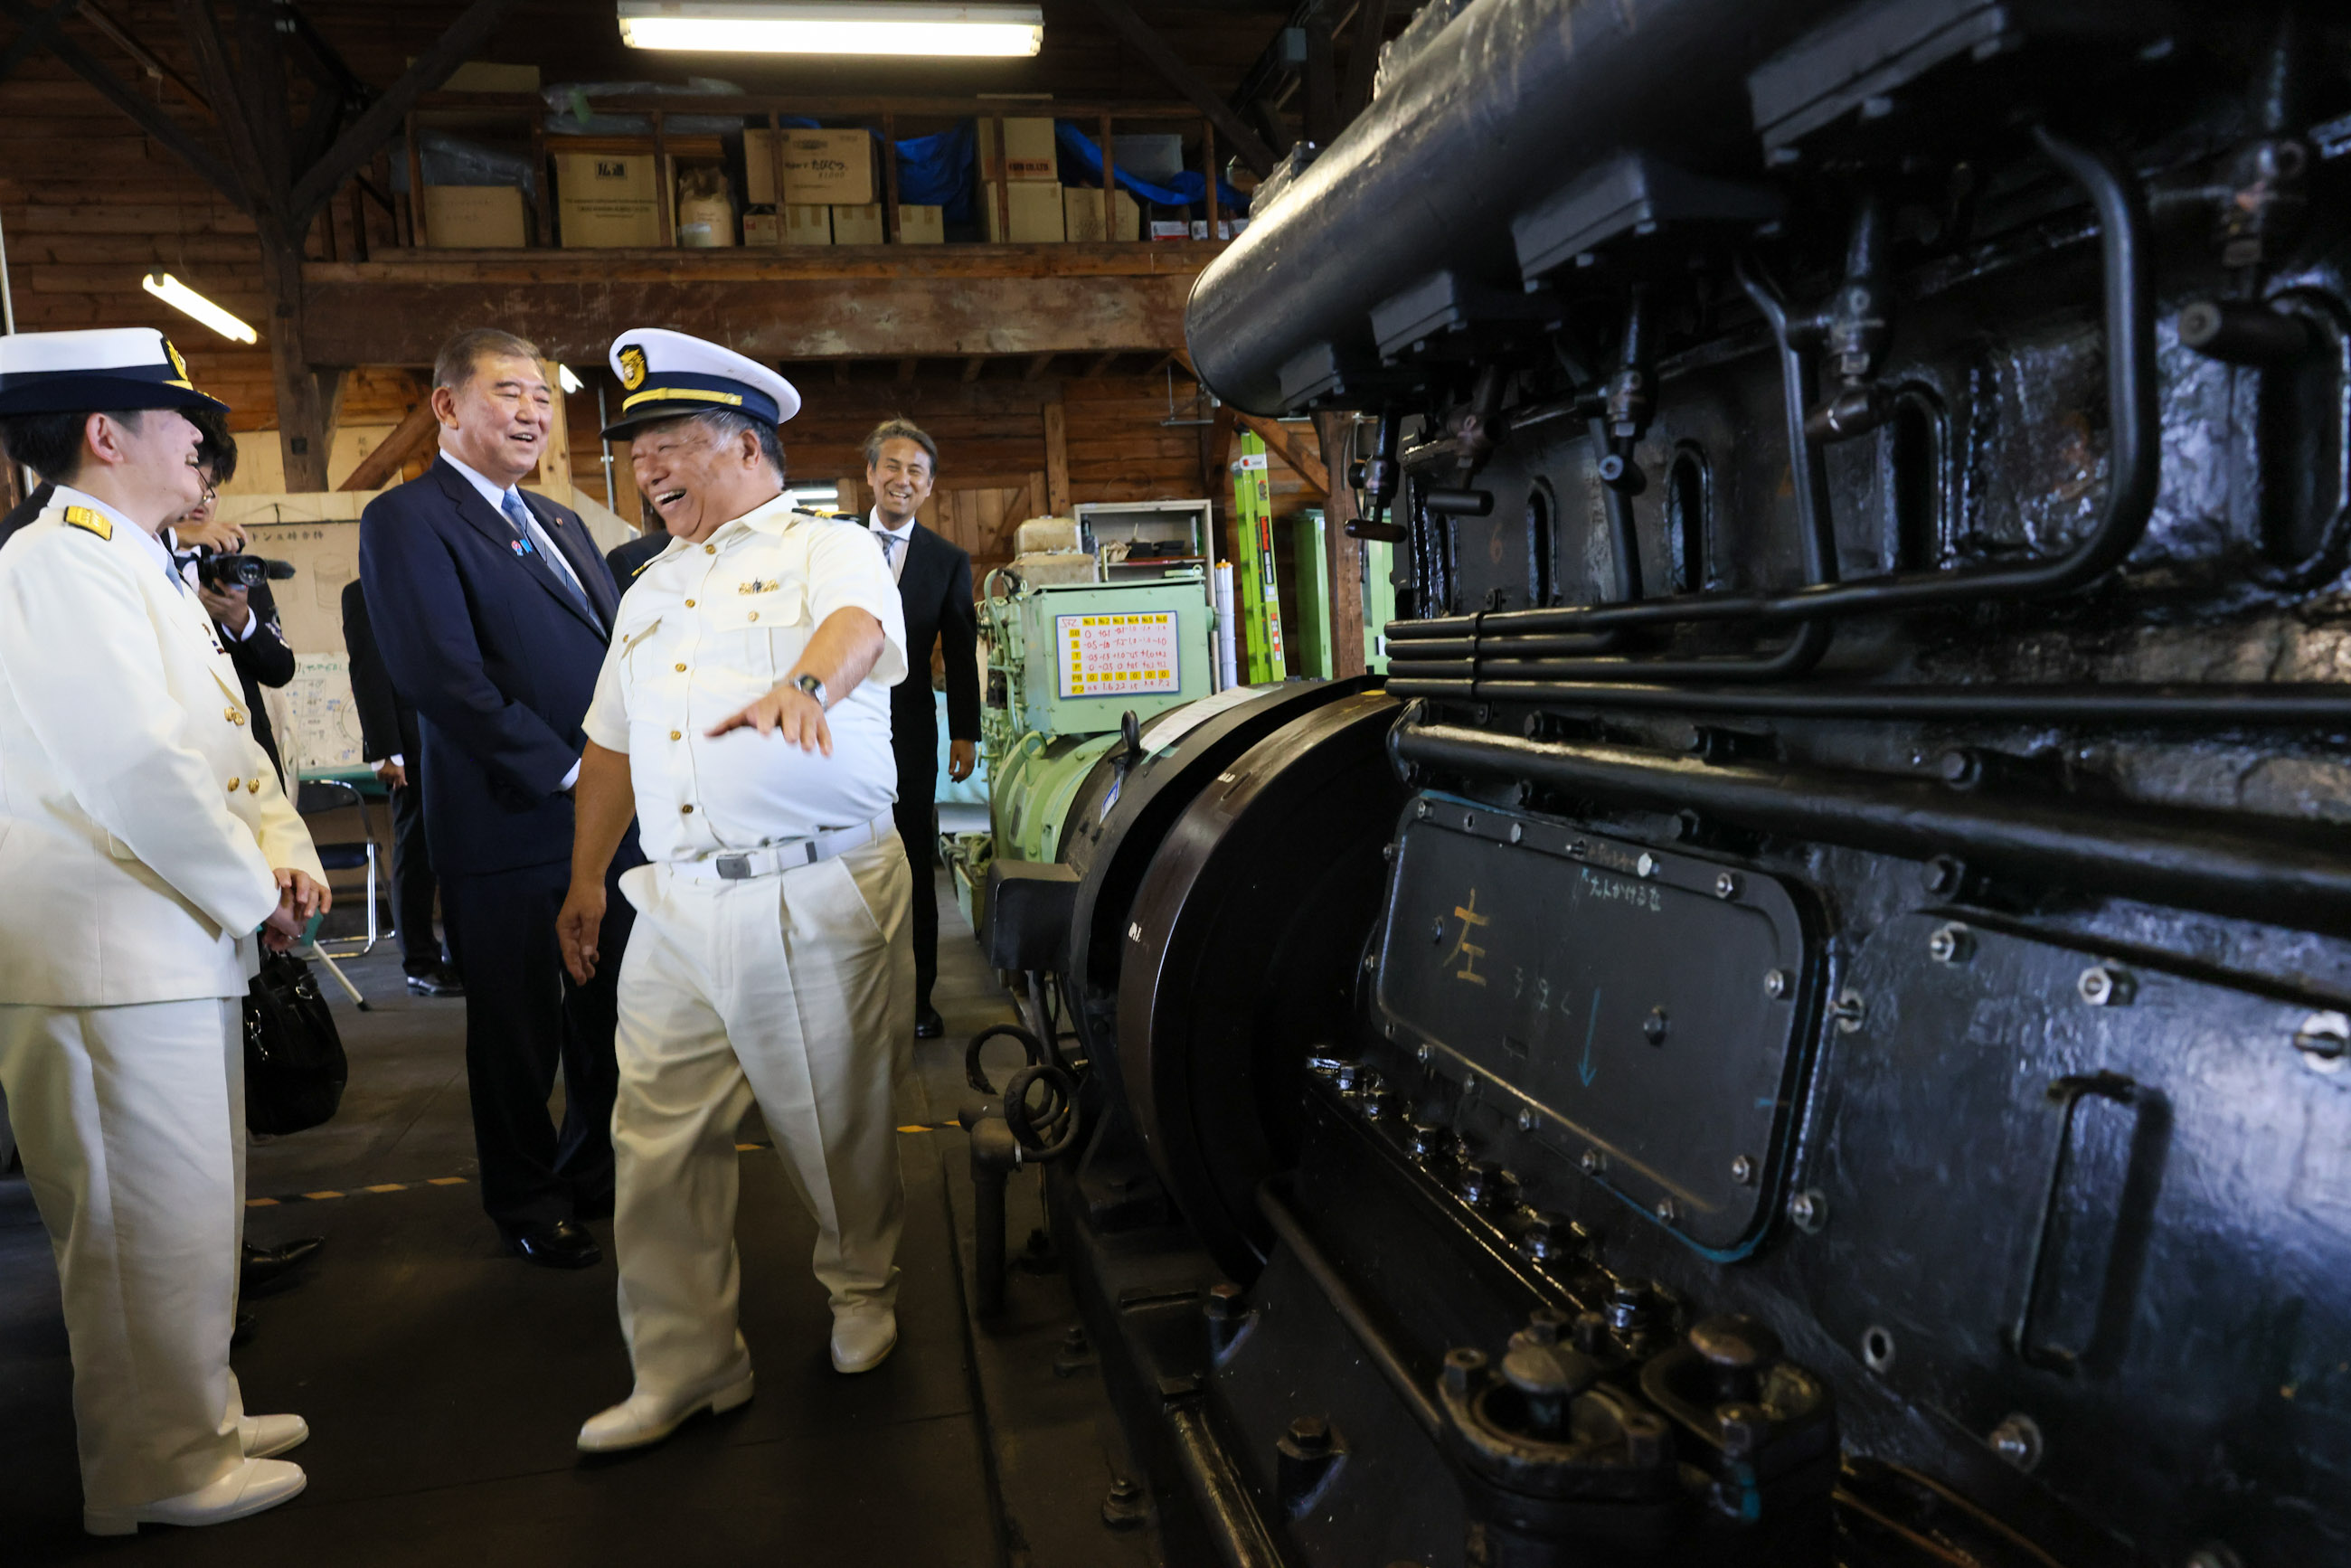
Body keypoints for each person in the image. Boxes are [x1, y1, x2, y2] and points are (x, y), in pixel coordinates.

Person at [557, 327, 914, 1452]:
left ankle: (861, 1289)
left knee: (828, 1121)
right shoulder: (647, 587)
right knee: (651, 1142)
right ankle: (685, 1362)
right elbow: (609, 746)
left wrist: (803, 682)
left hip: (806, 887)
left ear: (743, 445)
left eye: (666, 442)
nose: (644, 467)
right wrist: (583, 884)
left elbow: (858, 630)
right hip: (672, 901)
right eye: (635, 449)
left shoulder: (826, 548)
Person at [0, 326, 327, 1535]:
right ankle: (156, 1468)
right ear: (104, 432)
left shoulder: (137, 562)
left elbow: (226, 746)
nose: (207, 441)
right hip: (104, 960)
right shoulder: (57, 565)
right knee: (139, 1228)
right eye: (182, 416)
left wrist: (283, 858)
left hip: (168, 945)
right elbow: (136, 768)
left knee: (189, 1213)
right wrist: (257, 893)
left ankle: (201, 1414)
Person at [358, 327, 637, 1270]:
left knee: (605, 1012)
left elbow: (613, 658)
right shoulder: (409, 521)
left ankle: (592, 1168)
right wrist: (570, 770)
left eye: (543, 398)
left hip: (604, 815)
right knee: (518, 1026)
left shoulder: (558, 520)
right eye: (508, 393)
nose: (531, 412)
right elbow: (443, 679)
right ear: (446, 407)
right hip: (510, 815)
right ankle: (526, 1194)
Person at [861, 420, 979, 1038]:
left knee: (910, 858)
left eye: (916, 471)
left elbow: (960, 653)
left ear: (929, 486)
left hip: (910, 733)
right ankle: (853, 998)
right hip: (835, 732)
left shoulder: (948, 560)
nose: (901, 479)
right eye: (892, 466)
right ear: (871, 474)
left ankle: (919, 999)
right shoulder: (830, 544)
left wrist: (966, 732)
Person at [341, 578, 463, 996]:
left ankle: (460, 954)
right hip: (410, 746)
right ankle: (420, 962)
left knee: (461, 850)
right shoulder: (365, 590)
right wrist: (386, 751)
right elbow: (367, 671)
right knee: (417, 851)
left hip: (460, 735)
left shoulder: (446, 577)